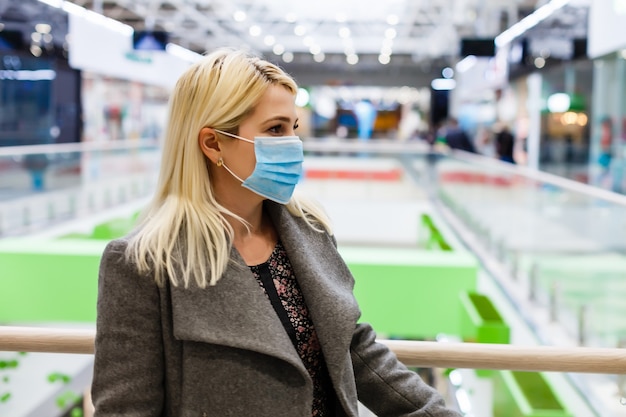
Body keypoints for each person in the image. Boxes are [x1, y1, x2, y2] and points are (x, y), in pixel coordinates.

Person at [91, 48, 462, 417]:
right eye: (275, 129)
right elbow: (126, 408)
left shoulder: (308, 229)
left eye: (293, 128)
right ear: (213, 143)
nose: (293, 145)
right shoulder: (144, 264)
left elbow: (352, 348)